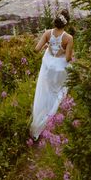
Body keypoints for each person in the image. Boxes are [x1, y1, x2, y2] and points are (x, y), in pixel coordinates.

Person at [30, 8, 74, 140]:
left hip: (48, 66)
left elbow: (36, 49)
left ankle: (39, 120)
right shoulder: (69, 38)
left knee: (46, 91)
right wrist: (63, 51)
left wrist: (47, 46)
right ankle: (52, 114)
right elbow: (67, 58)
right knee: (57, 92)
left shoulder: (47, 33)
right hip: (59, 68)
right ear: (66, 23)